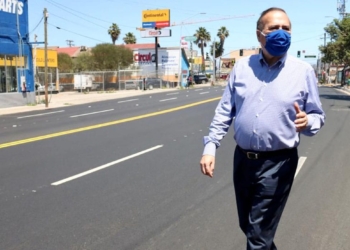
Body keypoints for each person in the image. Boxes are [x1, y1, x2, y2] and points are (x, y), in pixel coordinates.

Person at [200, 7, 325, 250]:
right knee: (249, 227)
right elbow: (225, 110)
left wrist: (308, 122)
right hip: (243, 161)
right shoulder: (242, 68)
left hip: (278, 164)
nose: (281, 33)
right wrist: (210, 146)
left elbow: (317, 115)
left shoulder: (303, 71)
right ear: (260, 35)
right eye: (274, 28)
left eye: (286, 28)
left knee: (257, 237)